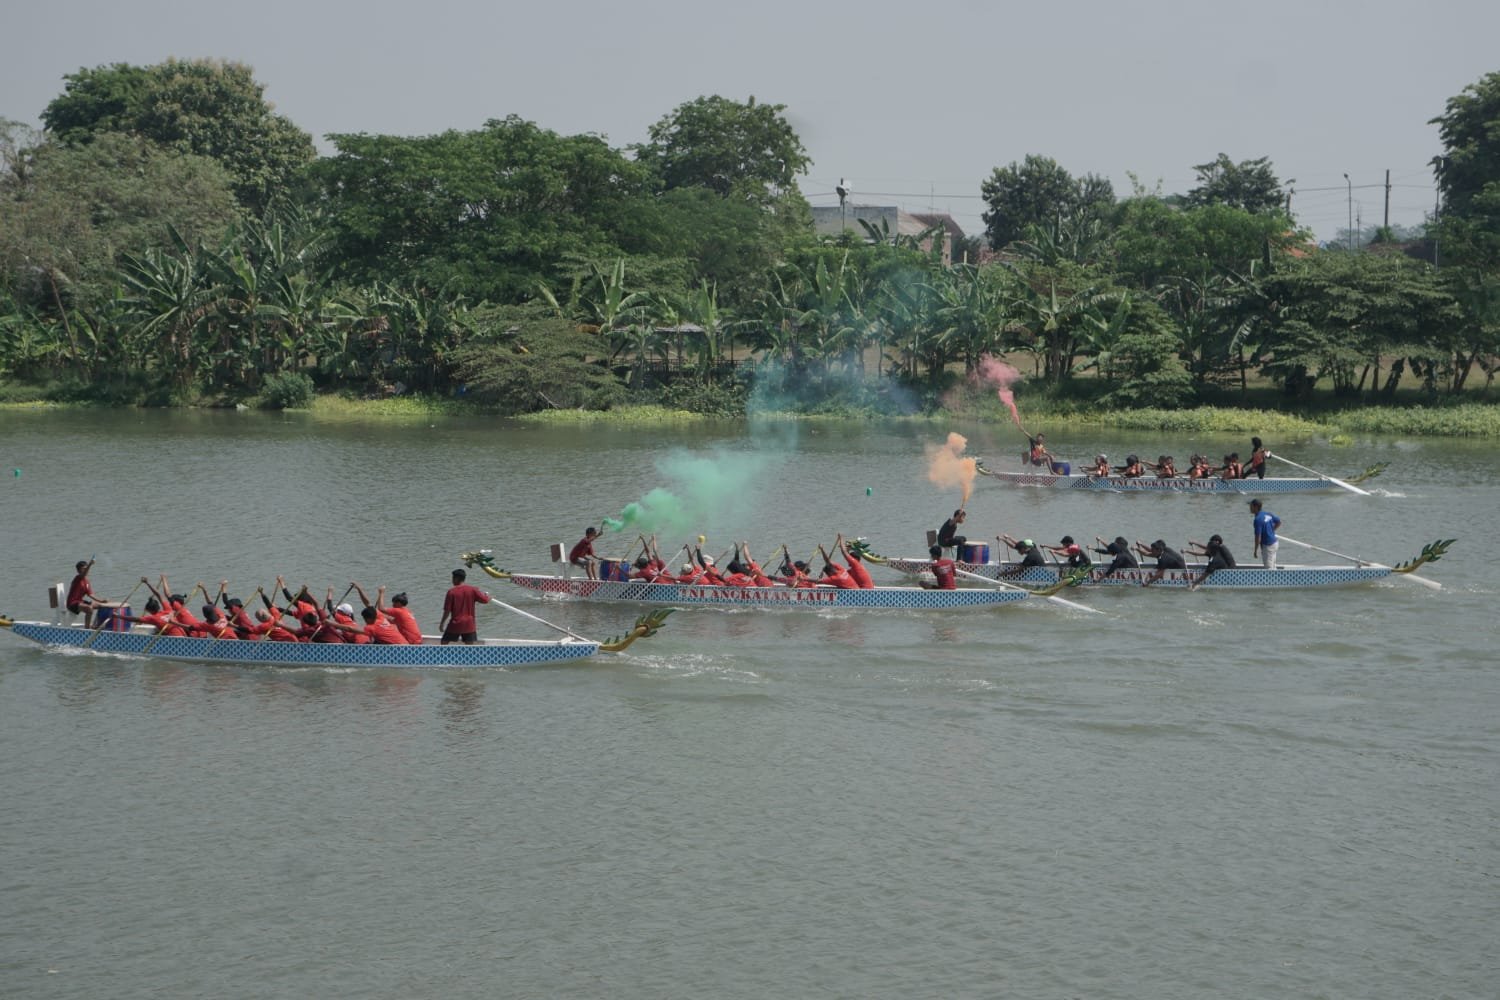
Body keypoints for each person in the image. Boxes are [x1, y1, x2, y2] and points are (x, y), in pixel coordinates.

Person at [439, 567, 491, 645]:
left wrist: (442, 623)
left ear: (456, 578)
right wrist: (488, 597)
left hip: (456, 624)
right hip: (469, 623)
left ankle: (443, 656)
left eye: (453, 578)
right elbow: (485, 600)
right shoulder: (473, 590)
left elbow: (447, 611)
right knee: (469, 645)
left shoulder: (451, 592)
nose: (452, 580)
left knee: (444, 642)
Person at [1249, 499, 1281, 568]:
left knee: (1268, 568)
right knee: (1273, 566)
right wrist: (1272, 531)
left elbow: (1258, 537)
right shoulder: (1268, 514)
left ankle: (1271, 578)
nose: (1249, 508)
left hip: (1268, 546)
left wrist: (1255, 550)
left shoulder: (1257, 519)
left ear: (1256, 507)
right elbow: (1278, 522)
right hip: (1275, 543)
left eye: (1251, 506)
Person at [66, 559, 98, 625]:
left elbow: (91, 594)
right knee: (89, 609)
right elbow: (84, 574)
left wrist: (101, 601)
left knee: (100, 605)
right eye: (83, 569)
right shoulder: (77, 578)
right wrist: (90, 564)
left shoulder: (86, 581)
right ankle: (87, 630)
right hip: (72, 604)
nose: (86, 570)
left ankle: (96, 625)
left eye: (86, 568)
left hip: (80, 602)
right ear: (78, 571)